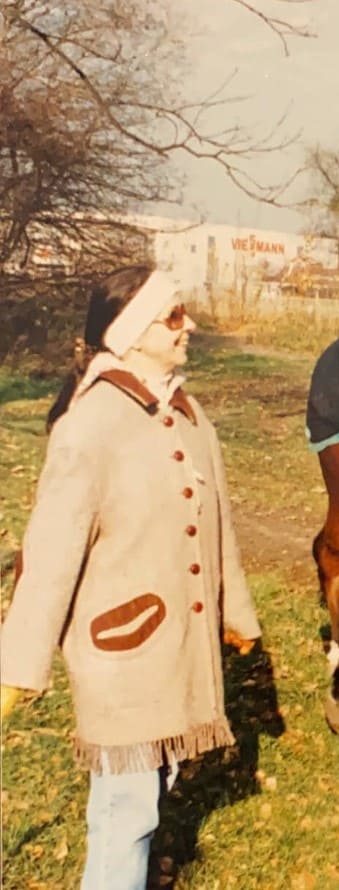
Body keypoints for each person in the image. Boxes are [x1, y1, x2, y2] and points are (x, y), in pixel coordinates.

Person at [0, 264, 262, 890]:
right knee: (126, 815)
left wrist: (237, 616)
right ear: (133, 330)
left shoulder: (190, 415)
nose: (188, 325)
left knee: (154, 791)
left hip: (177, 654)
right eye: (173, 316)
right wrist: (15, 670)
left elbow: (219, 523)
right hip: (119, 657)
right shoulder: (89, 426)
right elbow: (49, 559)